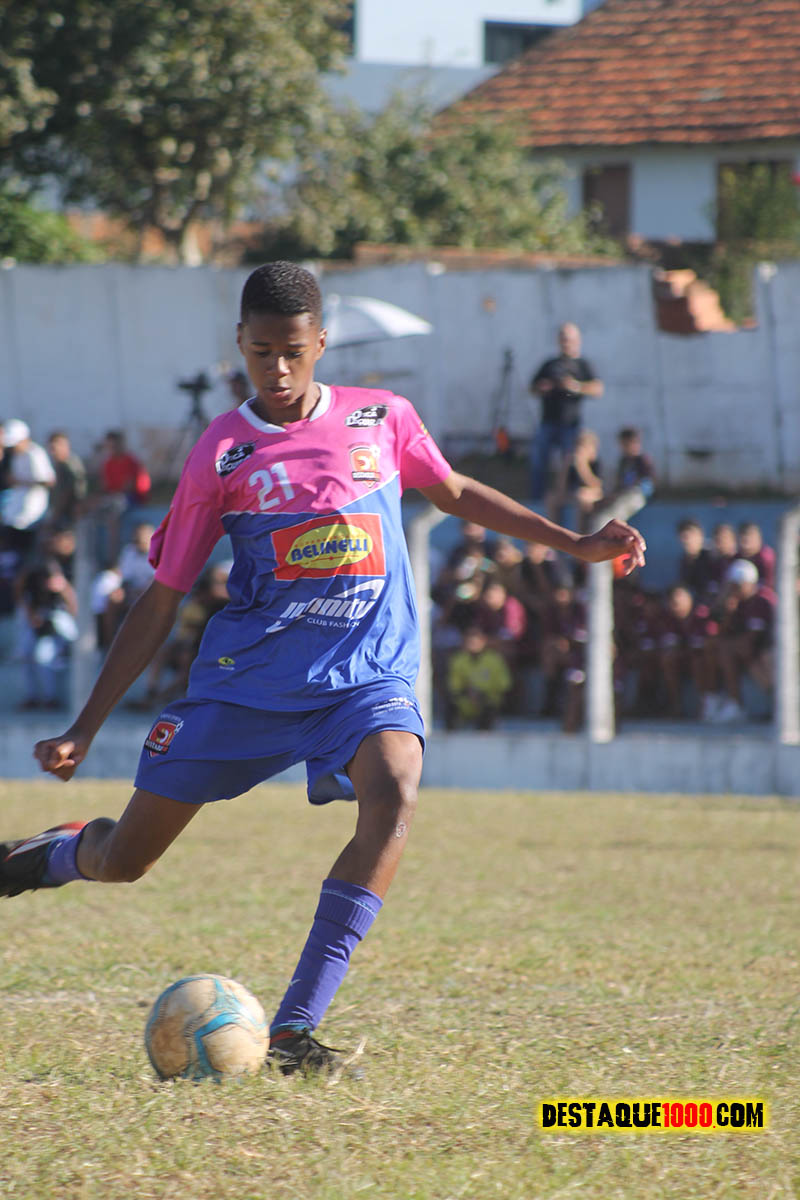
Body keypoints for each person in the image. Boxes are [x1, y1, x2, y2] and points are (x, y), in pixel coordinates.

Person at [0, 262, 645, 1077]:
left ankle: (294, 1033)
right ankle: (50, 855)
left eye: (293, 352)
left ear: (321, 344)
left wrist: (575, 542)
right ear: (240, 341)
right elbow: (163, 598)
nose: (276, 369)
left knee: (396, 792)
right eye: (260, 351)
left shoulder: (382, 418)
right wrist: (84, 726)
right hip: (249, 684)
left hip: (366, 678)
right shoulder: (221, 453)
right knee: (126, 858)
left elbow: (454, 490)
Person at [528, 322, 604, 502]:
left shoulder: (583, 364)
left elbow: (598, 389)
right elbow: (532, 388)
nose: (566, 343)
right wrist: (543, 388)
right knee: (538, 460)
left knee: (569, 463)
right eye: (563, 339)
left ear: (577, 341)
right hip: (548, 422)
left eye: (569, 339)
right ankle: (536, 499)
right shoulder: (550, 364)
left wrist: (575, 387)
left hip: (571, 424)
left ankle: (568, 497)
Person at [0, 419, 55, 562]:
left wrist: (20, 482)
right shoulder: (17, 456)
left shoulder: (34, 454)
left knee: (26, 554)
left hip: (31, 516)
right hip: (15, 514)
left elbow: (47, 481)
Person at [445, 625, 513, 730]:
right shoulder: (459, 660)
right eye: (470, 642)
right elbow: (454, 684)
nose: (472, 645)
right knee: (451, 709)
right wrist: (468, 692)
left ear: (483, 642)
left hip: (487, 701)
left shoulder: (494, 660)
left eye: (475, 641)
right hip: (465, 701)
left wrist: (483, 693)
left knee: (489, 713)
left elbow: (504, 684)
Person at [611, 427, 656, 500]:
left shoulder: (643, 460)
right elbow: (619, 481)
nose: (624, 448)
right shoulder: (623, 461)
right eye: (622, 445)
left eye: (626, 444)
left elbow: (648, 482)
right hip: (625, 493)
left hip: (640, 494)